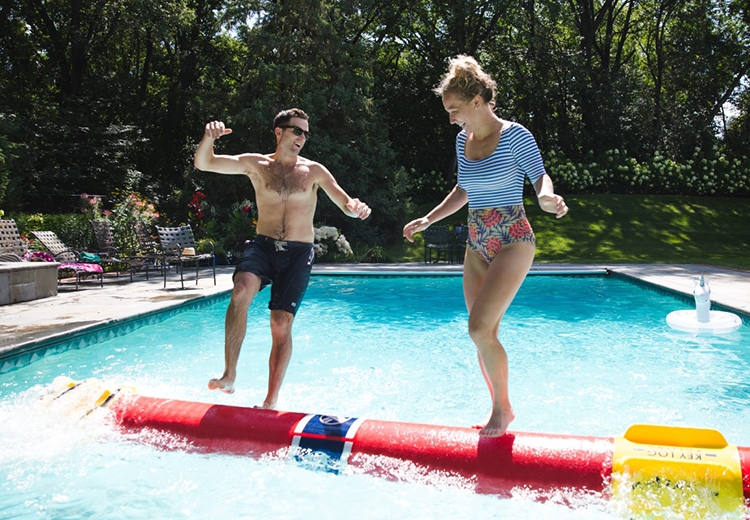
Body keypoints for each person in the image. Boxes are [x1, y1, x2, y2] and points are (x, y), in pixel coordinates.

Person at [403, 56, 568, 437]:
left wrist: (546, 198)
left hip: (513, 238)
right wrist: (429, 219)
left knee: (478, 328)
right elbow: (463, 189)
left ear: (477, 100)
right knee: (483, 334)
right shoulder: (463, 141)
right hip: (477, 243)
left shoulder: (515, 135)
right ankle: (500, 407)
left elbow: (539, 177)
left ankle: (502, 408)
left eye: (454, 110)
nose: (451, 119)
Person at [194, 108, 371, 408]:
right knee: (240, 291)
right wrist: (208, 139)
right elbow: (205, 162)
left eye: (306, 133)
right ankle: (229, 375)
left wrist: (356, 207)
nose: (303, 137)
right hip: (263, 245)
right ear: (279, 132)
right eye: (297, 130)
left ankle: (270, 400)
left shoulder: (314, 171)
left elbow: (344, 202)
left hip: (298, 253)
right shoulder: (256, 164)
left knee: (280, 324)